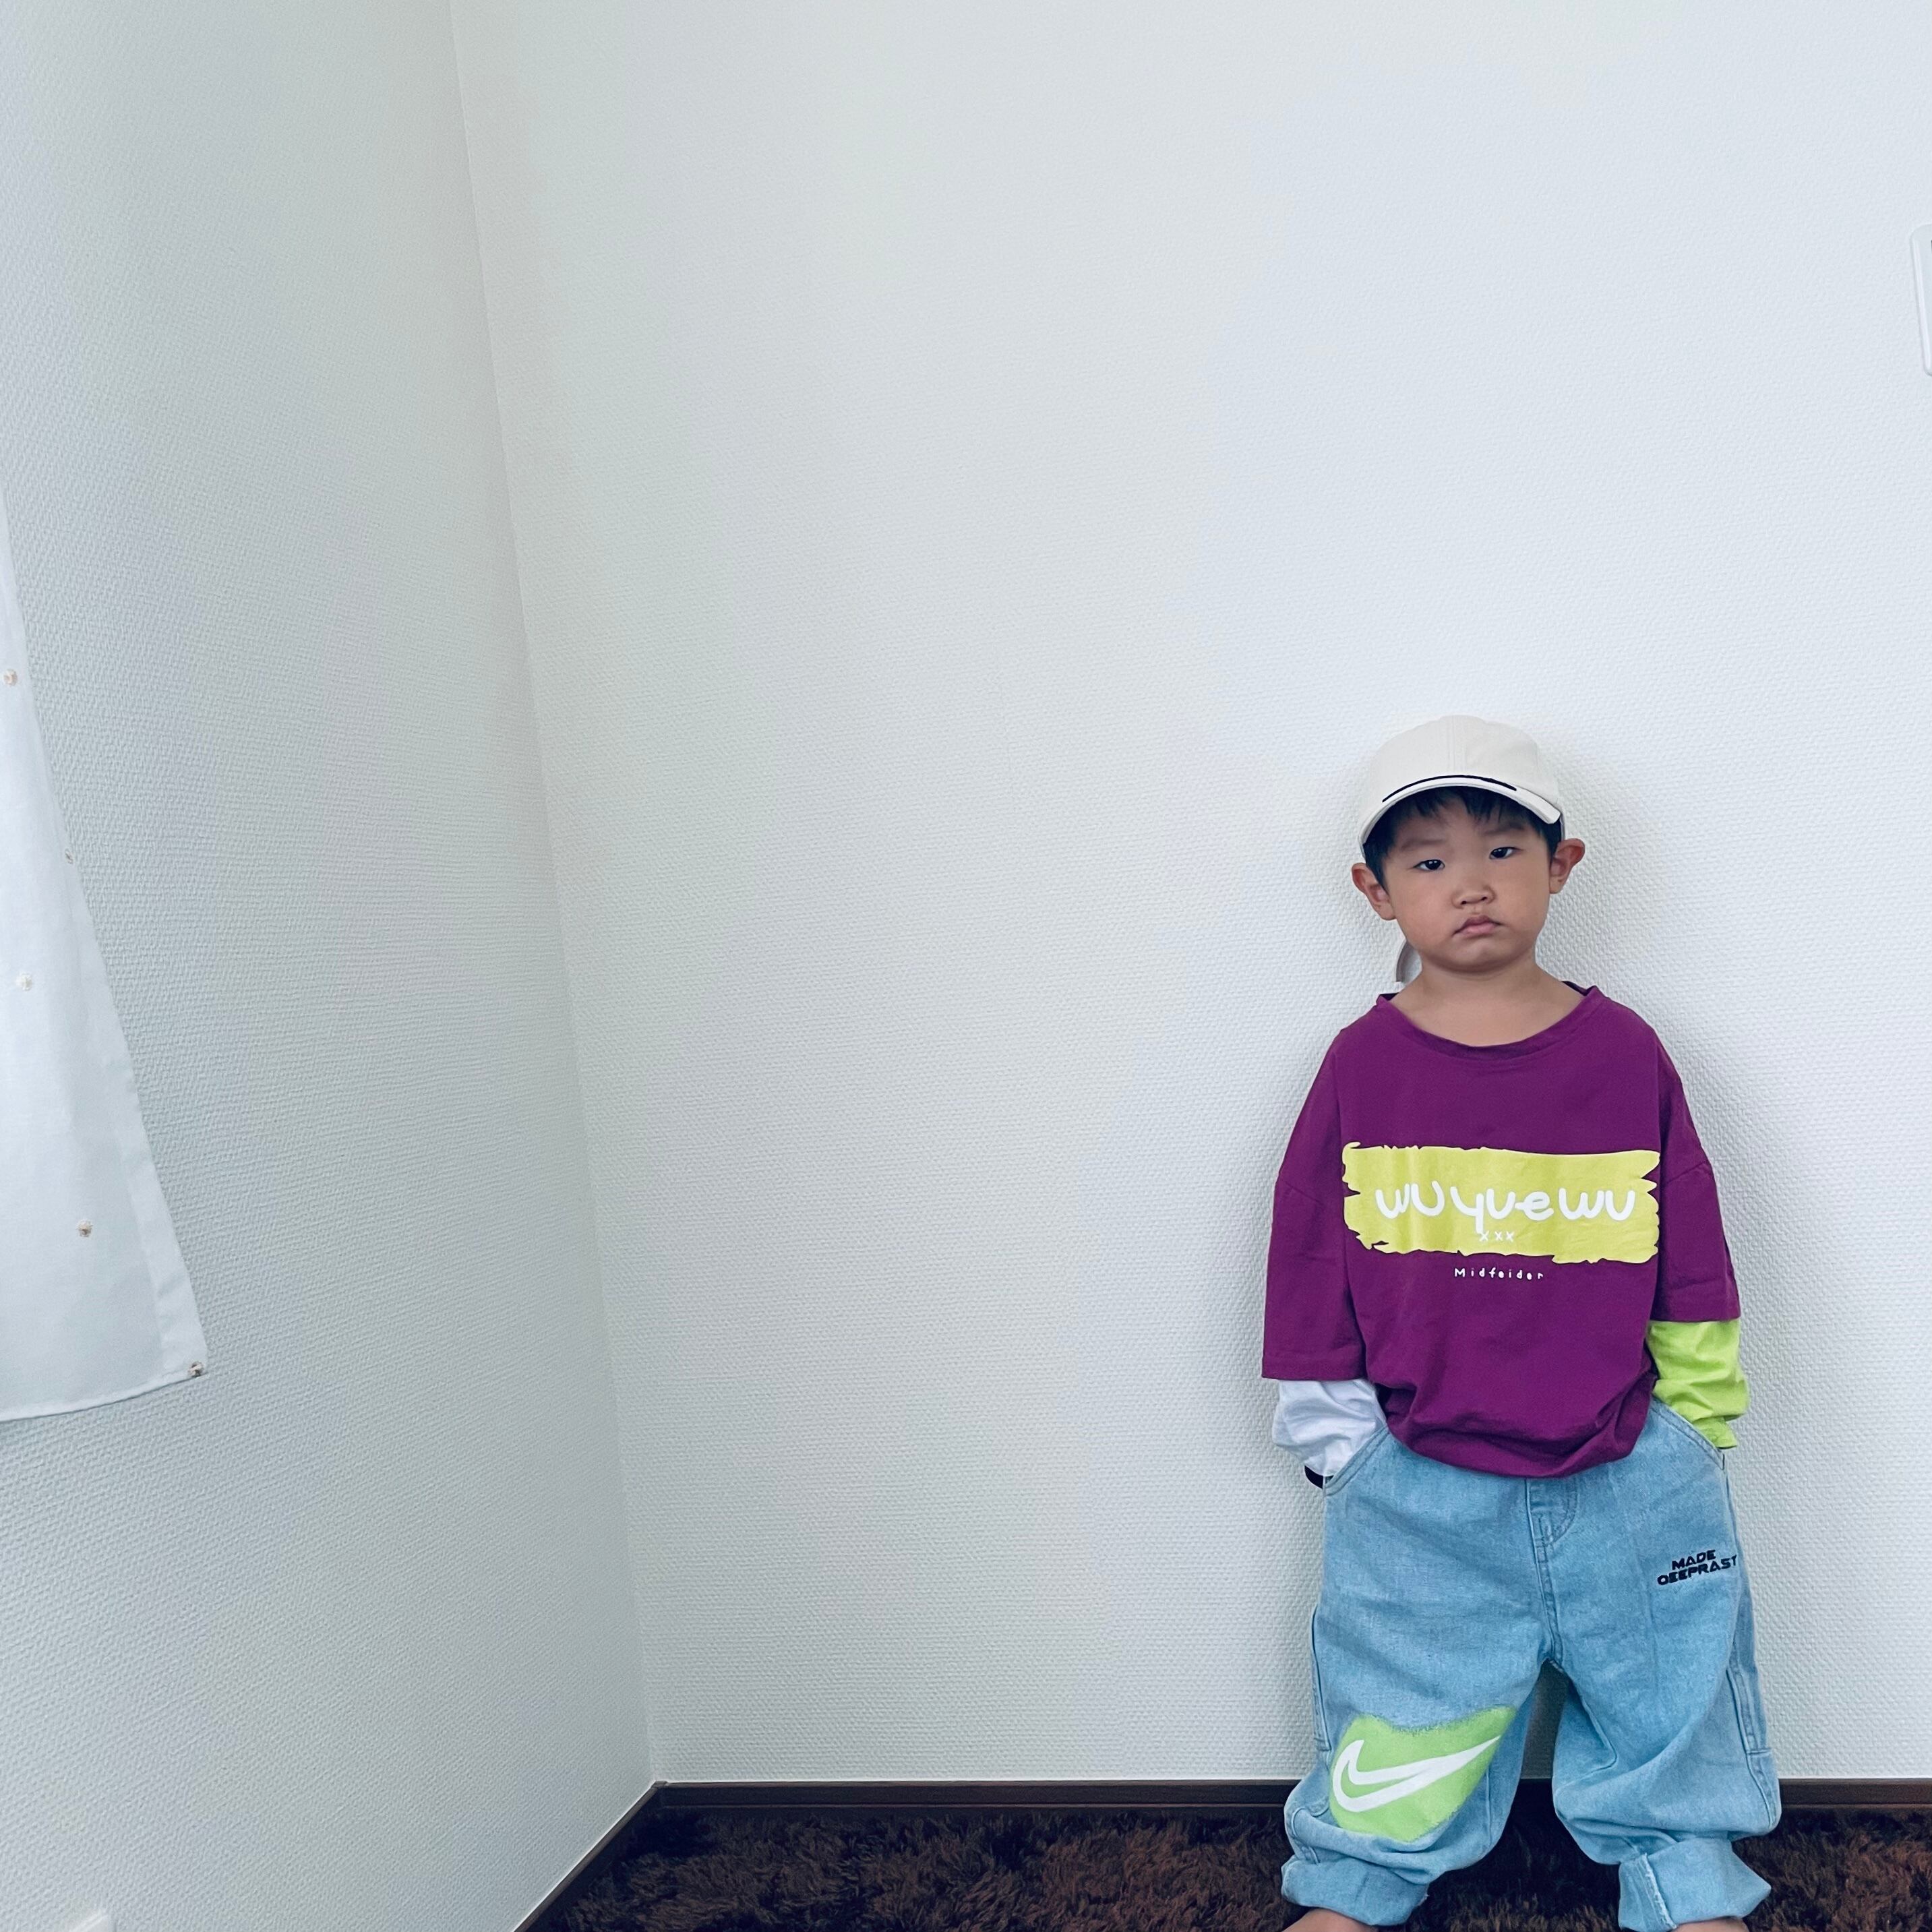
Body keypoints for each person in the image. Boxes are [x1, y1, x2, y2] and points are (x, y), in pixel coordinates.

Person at [1264, 715, 1780, 1932]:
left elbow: (1689, 1241)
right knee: (1402, 1692)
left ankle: (1683, 1877)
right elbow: (1308, 1249)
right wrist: (1337, 1437)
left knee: (1667, 1686)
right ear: (1375, 891)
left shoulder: (1624, 1052)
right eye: (1428, 859)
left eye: (1502, 849)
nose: (1471, 883)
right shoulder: (1360, 1066)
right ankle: (1359, 1880)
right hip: (1417, 1479)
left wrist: (1695, 1421)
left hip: (1629, 1464)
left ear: (1561, 864)